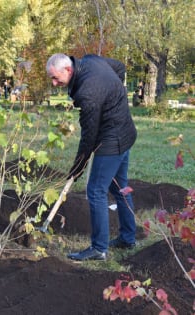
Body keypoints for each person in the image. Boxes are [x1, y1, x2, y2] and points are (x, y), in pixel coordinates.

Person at [46, 53, 137, 261]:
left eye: (55, 77)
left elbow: (89, 137)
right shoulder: (91, 60)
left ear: (68, 70)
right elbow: (120, 67)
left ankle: (98, 248)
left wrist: (77, 168)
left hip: (113, 138)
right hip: (125, 130)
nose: (53, 82)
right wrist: (114, 96)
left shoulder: (88, 93)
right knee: (120, 187)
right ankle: (128, 238)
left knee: (96, 190)